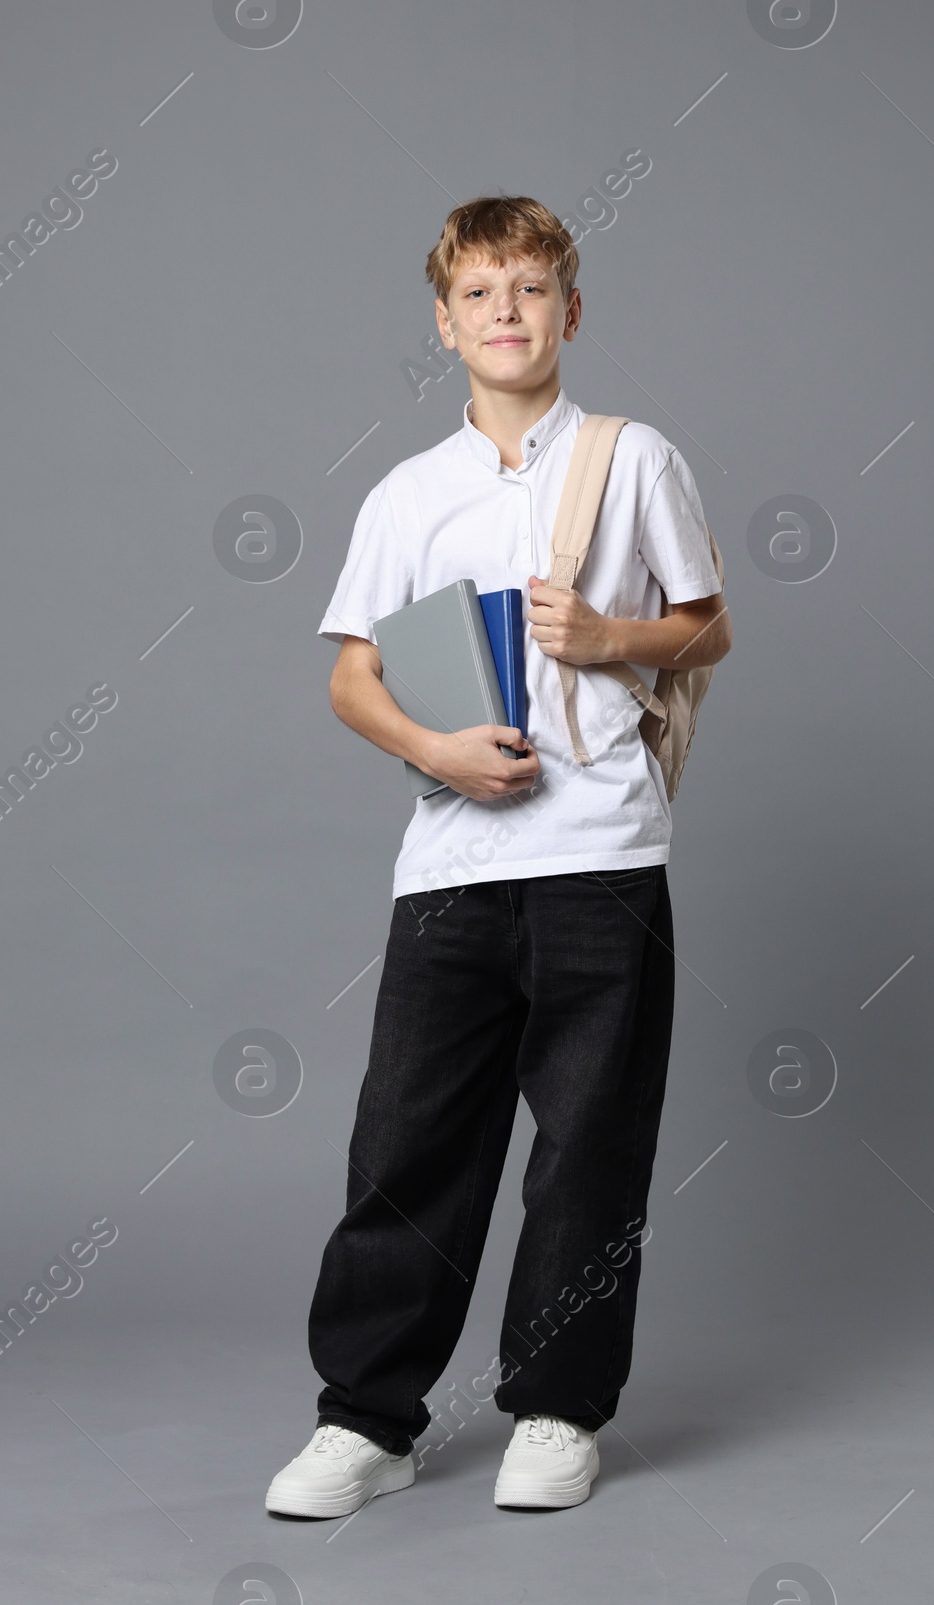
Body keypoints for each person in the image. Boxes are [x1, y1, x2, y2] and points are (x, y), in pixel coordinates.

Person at [265, 194, 731, 1519]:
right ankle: (366, 1420)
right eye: (481, 294)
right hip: (454, 862)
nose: (507, 313)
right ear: (445, 322)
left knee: (590, 1146)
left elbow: (708, 626)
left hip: (603, 856)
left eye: (531, 289)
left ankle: (557, 1410)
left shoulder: (633, 459)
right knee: (409, 1146)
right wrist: (445, 750)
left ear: (569, 312)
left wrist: (606, 640)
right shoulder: (409, 493)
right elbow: (356, 680)